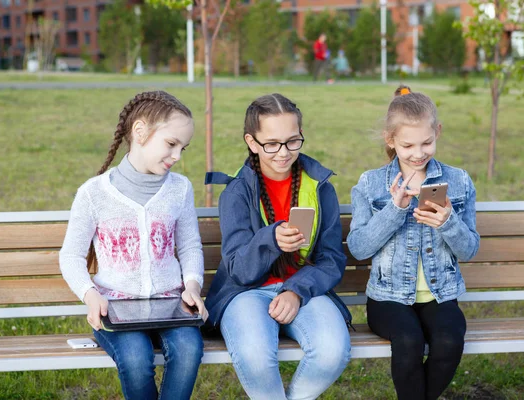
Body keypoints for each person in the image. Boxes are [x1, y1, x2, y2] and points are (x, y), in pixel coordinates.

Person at [59, 90, 207, 400]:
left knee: (189, 350)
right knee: (136, 360)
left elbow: (191, 245)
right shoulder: (93, 193)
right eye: (171, 144)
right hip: (115, 308)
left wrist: (191, 286)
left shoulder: (179, 189)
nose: (178, 156)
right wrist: (90, 295)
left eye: (183, 147)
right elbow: (71, 255)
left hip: (170, 305)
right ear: (140, 132)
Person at [204, 93, 352, 400]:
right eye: (271, 144)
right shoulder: (236, 193)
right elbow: (239, 268)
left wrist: (296, 291)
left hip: (305, 289)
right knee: (256, 358)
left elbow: (331, 258)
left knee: (332, 352)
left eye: (293, 141)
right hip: (245, 292)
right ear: (252, 142)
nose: (283, 153)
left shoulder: (319, 187)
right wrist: (270, 240)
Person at [347, 85, 480, 400]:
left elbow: (470, 249)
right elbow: (358, 248)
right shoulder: (371, 183)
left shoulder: (459, 181)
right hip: (388, 299)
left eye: (427, 143)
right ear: (390, 140)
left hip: (440, 296)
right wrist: (395, 210)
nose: (418, 153)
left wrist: (448, 222)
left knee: (449, 340)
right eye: (407, 145)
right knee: (407, 341)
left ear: (438, 132)